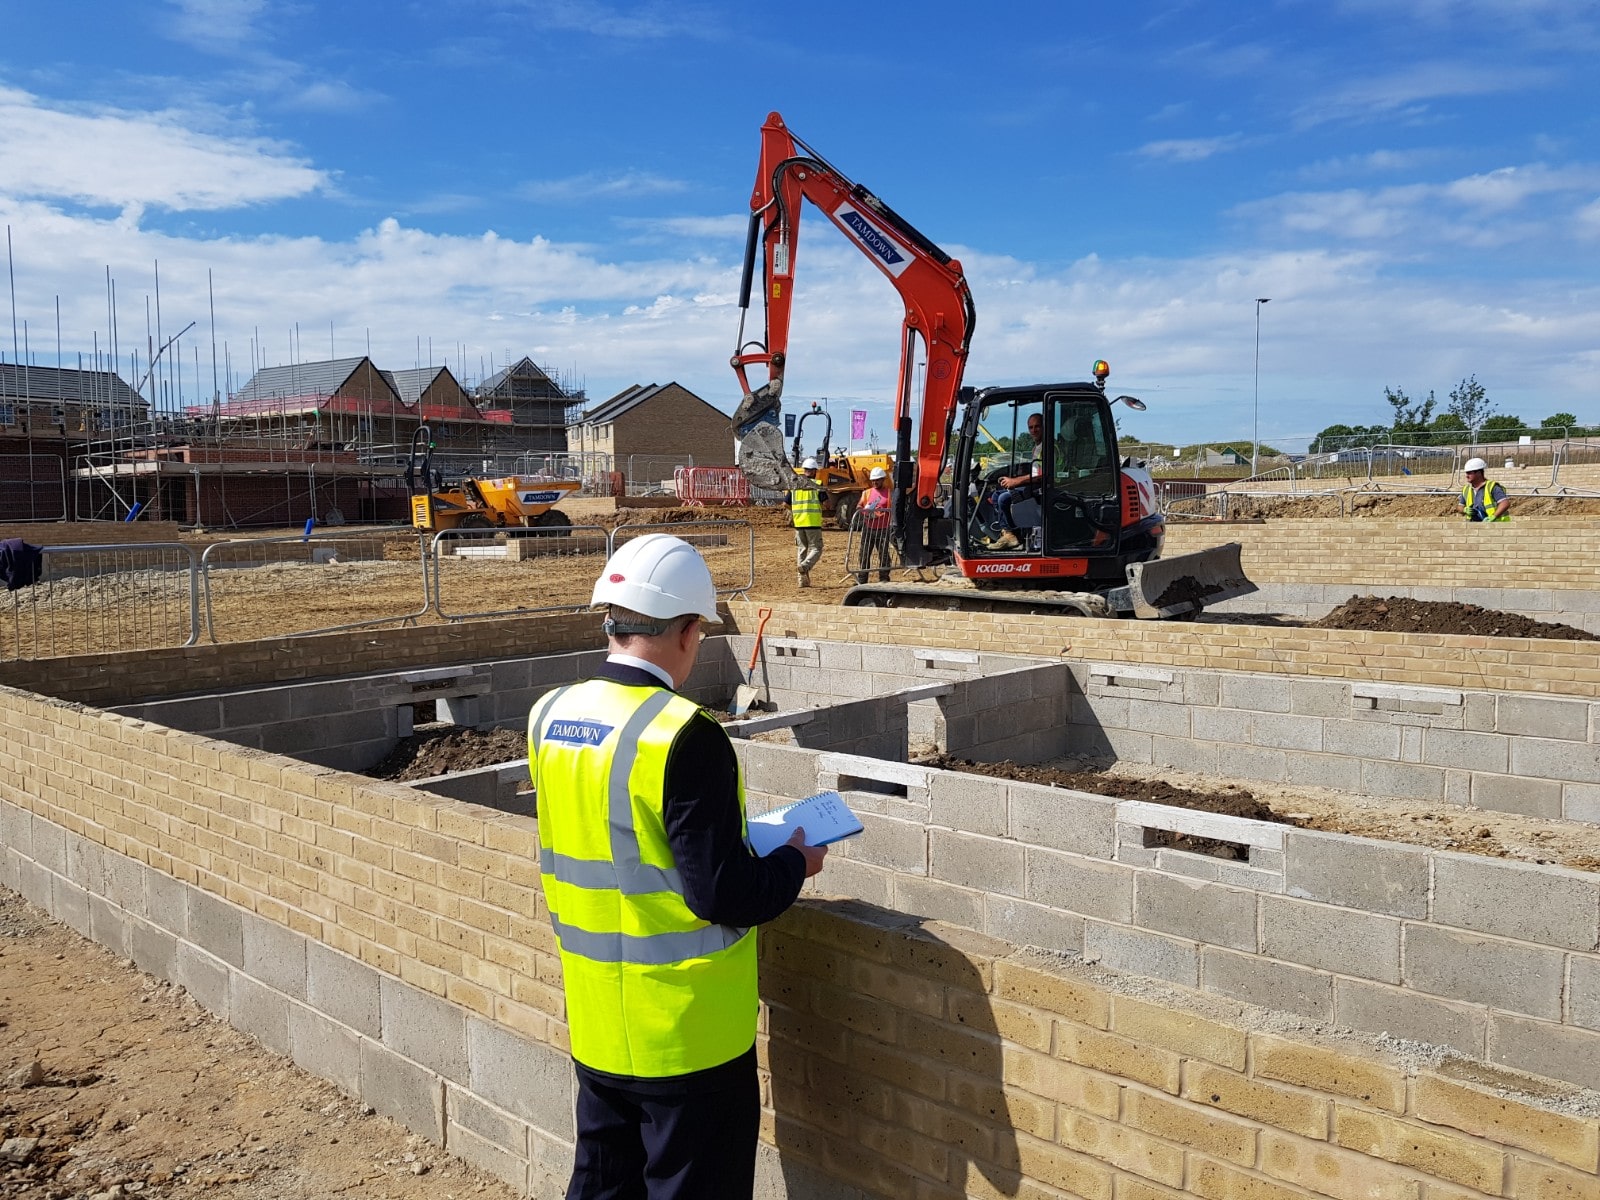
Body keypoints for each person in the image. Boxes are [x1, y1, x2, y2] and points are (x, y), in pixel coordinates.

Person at [527, 534, 827, 1199]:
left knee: (603, 1186)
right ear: (690, 631)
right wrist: (792, 863)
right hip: (690, 1039)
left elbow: (618, 843)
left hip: (600, 1023)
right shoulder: (683, 732)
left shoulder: (550, 715)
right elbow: (721, 892)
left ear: (612, 620)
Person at [988, 413, 1045, 551]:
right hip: (1034, 485)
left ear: (1044, 426)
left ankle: (1012, 536)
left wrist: (1015, 481)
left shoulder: (1048, 447)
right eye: (1030, 427)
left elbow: (1043, 475)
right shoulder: (1036, 447)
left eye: (1037, 426)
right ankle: (1008, 532)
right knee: (996, 495)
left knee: (1003, 499)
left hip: (1042, 489)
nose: (1033, 430)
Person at [790, 458, 825, 587]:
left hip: (798, 523)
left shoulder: (795, 486)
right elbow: (825, 503)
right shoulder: (817, 484)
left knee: (802, 550)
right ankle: (805, 566)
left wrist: (797, 512)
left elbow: (785, 503)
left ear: (804, 471)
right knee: (817, 548)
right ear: (814, 471)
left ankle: (802, 581)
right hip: (812, 522)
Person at [857, 466, 893, 582]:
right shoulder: (866, 493)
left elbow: (893, 509)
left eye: (877, 480)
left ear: (883, 479)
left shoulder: (889, 493)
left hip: (883, 529)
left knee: (884, 555)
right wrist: (864, 511)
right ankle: (862, 579)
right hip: (869, 528)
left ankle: (884, 578)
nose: (875, 482)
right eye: (873, 480)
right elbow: (859, 506)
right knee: (864, 555)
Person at [1460, 457, 1510, 522]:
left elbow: (1505, 503)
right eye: (1466, 473)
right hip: (1474, 527)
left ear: (1478, 473)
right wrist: (1464, 509)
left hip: (1495, 526)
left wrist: (1494, 516)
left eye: (1469, 473)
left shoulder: (1492, 487)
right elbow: (1459, 506)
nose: (1467, 476)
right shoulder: (1466, 489)